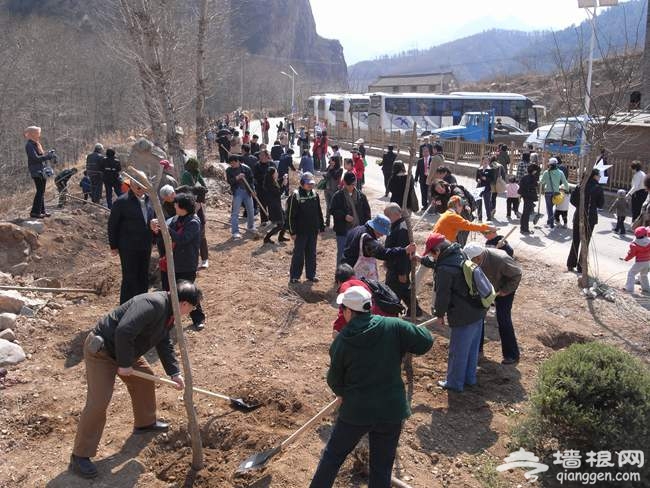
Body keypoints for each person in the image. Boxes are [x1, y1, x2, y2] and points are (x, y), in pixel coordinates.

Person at [69, 282, 201, 479]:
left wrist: (174, 372)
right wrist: (124, 363)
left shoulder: (169, 312)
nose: (191, 312)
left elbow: (163, 341)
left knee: (144, 382)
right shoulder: (153, 304)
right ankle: (79, 456)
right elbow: (124, 331)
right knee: (98, 402)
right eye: (192, 308)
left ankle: (145, 423)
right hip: (103, 351)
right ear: (183, 303)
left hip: (126, 350)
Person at [308, 286, 433, 488]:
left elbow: (334, 379)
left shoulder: (342, 341)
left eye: (342, 310)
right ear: (369, 307)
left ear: (349, 311)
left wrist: (342, 392)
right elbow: (425, 341)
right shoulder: (394, 326)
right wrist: (408, 336)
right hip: (391, 411)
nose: (342, 314)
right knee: (382, 466)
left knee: (333, 457)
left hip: (356, 411)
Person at [417, 234, 487, 392]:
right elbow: (439, 264)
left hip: (463, 315)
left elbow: (443, 295)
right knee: (471, 349)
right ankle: (470, 378)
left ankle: (454, 383)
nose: (431, 257)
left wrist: (439, 315)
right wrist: (420, 259)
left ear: (437, 251)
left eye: (431, 254)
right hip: (478, 310)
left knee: (458, 351)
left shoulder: (444, 268)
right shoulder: (459, 253)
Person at [464, 242, 522, 365]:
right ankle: (477, 349)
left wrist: (505, 291)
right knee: (478, 316)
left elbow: (517, 274)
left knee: (503, 318)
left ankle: (512, 355)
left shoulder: (501, 259)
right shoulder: (472, 260)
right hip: (485, 289)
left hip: (503, 289)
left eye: (473, 261)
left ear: (479, 257)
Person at [154, 193, 205, 330]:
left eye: (176, 204)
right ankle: (167, 320)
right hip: (172, 262)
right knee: (169, 292)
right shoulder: (178, 219)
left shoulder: (193, 222)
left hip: (186, 264)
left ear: (183, 207)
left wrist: (167, 229)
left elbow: (182, 239)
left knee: (188, 293)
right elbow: (167, 230)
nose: (174, 205)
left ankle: (198, 318)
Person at [108, 176, 154, 304]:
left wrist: (154, 237)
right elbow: (113, 225)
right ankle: (125, 309)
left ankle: (142, 307)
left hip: (145, 244)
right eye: (137, 185)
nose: (139, 188)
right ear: (131, 185)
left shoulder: (151, 201)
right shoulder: (122, 202)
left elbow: (152, 220)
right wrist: (114, 246)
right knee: (129, 278)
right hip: (128, 246)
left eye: (142, 185)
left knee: (143, 276)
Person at [342, 214, 416, 281]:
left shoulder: (357, 229)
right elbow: (383, 253)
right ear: (375, 228)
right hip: (354, 273)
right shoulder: (367, 239)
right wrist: (404, 250)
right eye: (380, 232)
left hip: (346, 267)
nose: (381, 235)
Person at [384, 203, 423, 317]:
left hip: (398, 267)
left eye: (387, 215)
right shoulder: (397, 225)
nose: (386, 218)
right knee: (404, 289)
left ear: (395, 214)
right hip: (396, 265)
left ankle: (392, 313)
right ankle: (415, 310)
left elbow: (403, 252)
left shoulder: (402, 228)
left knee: (392, 291)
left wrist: (402, 272)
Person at [287, 172, 324, 283]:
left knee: (311, 253)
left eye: (312, 184)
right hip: (300, 231)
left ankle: (311, 275)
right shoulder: (296, 195)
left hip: (312, 230)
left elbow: (319, 212)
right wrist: (292, 231)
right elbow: (290, 216)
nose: (310, 186)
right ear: (302, 184)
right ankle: (295, 276)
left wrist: (321, 227)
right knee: (298, 254)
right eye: (308, 184)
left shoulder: (314, 194)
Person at [567, 169, 605, 273]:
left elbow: (573, 200)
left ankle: (570, 264)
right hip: (590, 217)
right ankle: (581, 266)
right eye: (599, 175)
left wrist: (580, 207)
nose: (600, 177)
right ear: (594, 176)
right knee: (586, 242)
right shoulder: (597, 188)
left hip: (578, 215)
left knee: (575, 240)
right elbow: (601, 204)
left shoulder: (580, 186)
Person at [330, 172, 371, 265]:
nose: (351, 187)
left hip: (358, 231)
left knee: (357, 255)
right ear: (344, 183)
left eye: (353, 184)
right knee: (342, 254)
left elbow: (367, 213)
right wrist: (344, 216)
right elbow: (332, 210)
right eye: (349, 184)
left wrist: (366, 228)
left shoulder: (361, 196)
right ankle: (340, 276)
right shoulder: (338, 196)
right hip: (343, 231)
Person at [180, 158, 208, 268]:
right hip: (188, 207)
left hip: (198, 205)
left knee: (201, 233)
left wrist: (199, 190)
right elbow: (186, 190)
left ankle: (204, 259)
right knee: (189, 233)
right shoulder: (186, 175)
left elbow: (204, 187)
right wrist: (197, 190)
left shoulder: (196, 173)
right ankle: (194, 259)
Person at [25, 126, 55, 218]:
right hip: (36, 171)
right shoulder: (29, 145)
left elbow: (40, 157)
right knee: (40, 191)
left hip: (42, 171)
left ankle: (42, 211)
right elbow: (35, 158)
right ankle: (35, 212)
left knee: (41, 191)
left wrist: (48, 155)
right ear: (32, 134)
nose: (39, 135)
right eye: (38, 133)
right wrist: (47, 156)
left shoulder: (36, 144)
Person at [226, 154, 256, 239]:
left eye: (233, 163)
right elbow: (230, 181)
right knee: (235, 212)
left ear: (237, 161)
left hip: (247, 191)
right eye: (230, 163)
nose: (232, 165)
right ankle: (235, 231)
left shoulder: (246, 168)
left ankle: (250, 227)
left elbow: (251, 181)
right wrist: (237, 177)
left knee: (251, 210)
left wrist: (253, 190)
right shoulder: (229, 170)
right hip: (237, 192)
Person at [540, 157, 569, 229]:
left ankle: (551, 224)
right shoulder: (560, 172)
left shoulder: (546, 172)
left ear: (549, 164)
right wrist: (567, 190)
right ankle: (550, 221)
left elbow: (542, 182)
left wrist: (541, 177)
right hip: (557, 193)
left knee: (549, 209)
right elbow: (565, 183)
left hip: (548, 193)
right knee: (555, 207)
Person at [262, 167, 289, 244]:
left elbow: (278, 183)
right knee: (280, 224)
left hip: (277, 205)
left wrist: (283, 179)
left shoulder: (273, 181)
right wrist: (284, 185)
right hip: (274, 206)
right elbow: (278, 193)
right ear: (272, 174)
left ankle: (281, 237)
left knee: (285, 220)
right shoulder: (269, 184)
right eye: (276, 172)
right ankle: (267, 237)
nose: (277, 173)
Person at [622, 227, 650, 293]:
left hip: (640, 262)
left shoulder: (634, 244)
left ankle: (629, 288)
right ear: (646, 234)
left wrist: (626, 259)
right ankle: (646, 289)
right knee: (644, 275)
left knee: (631, 273)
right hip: (648, 261)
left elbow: (631, 254)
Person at [254, 149, 276, 225]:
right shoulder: (257, 165)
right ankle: (264, 220)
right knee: (262, 205)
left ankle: (273, 219)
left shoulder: (272, 164)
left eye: (263, 155)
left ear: (267, 156)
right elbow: (256, 177)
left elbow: (275, 175)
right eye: (260, 155)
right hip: (261, 188)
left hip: (271, 188)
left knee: (271, 204)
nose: (261, 157)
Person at [518, 163, 540, 235]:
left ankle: (522, 228)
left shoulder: (524, 177)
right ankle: (525, 229)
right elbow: (535, 185)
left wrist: (520, 196)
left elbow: (520, 187)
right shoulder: (533, 177)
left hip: (525, 196)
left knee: (525, 212)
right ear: (533, 171)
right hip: (530, 196)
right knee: (526, 213)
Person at [324, 157, 343, 227]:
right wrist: (329, 169)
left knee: (335, 207)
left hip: (334, 190)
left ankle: (336, 223)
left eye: (332, 161)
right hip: (327, 189)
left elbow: (335, 177)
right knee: (328, 206)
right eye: (330, 161)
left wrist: (331, 169)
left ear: (335, 162)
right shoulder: (329, 167)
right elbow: (325, 175)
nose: (330, 162)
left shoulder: (340, 169)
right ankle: (327, 221)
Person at [476, 156, 495, 221]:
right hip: (479, 188)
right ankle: (479, 217)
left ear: (489, 162)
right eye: (484, 160)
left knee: (487, 203)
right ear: (482, 161)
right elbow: (477, 177)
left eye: (487, 160)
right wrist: (478, 179)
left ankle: (489, 218)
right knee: (479, 203)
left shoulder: (491, 169)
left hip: (487, 188)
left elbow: (492, 179)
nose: (485, 161)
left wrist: (486, 179)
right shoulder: (479, 169)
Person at [415, 145, 432, 209]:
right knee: (423, 192)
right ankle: (424, 205)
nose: (425, 153)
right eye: (424, 152)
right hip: (422, 179)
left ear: (429, 152)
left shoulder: (432, 159)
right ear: (422, 152)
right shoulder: (420, 161)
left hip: (430, 178)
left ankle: (430, 205)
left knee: (429, 192)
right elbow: (417, 171)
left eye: (426, 151)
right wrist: (416, 179)